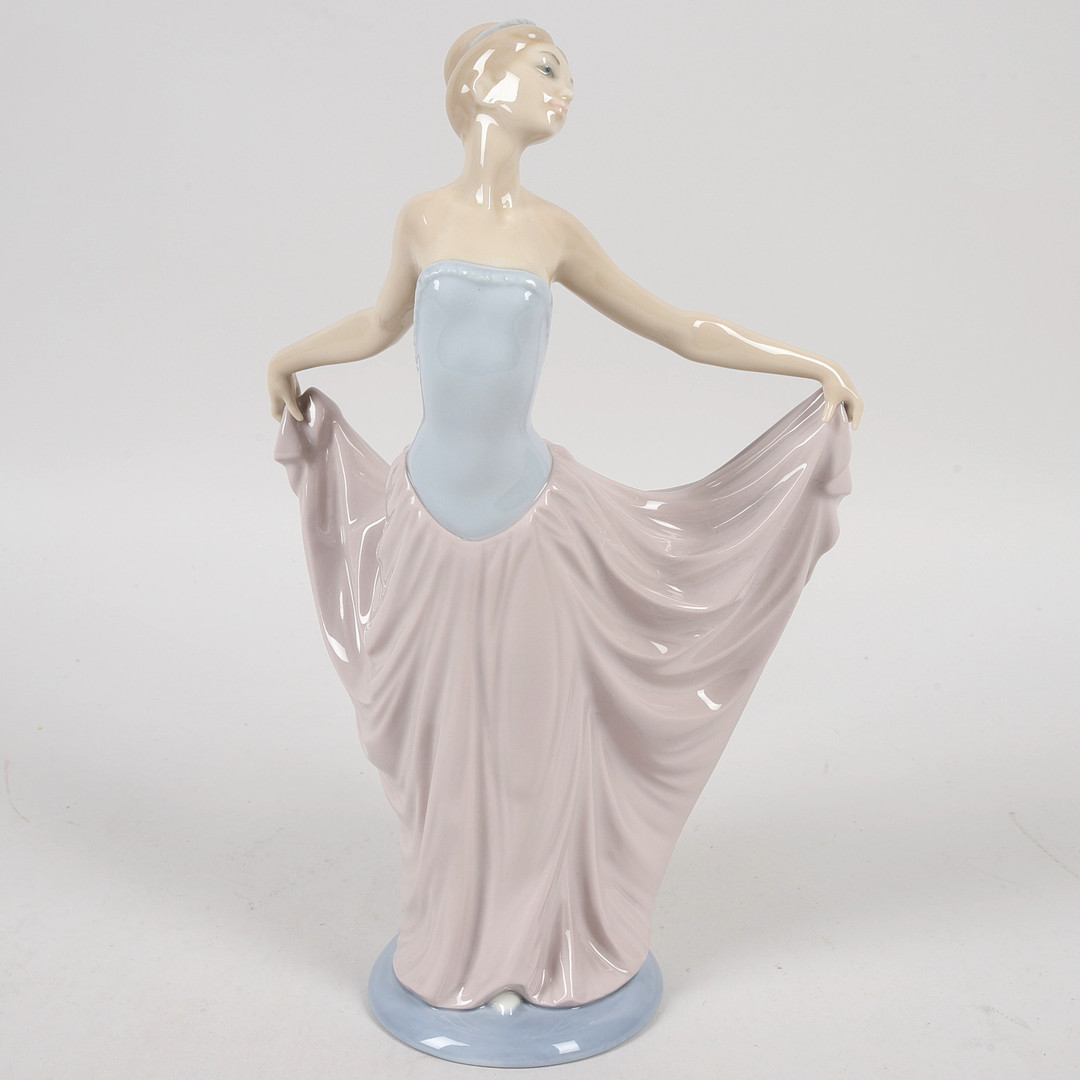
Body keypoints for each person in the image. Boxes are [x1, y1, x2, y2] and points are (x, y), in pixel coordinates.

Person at [269, 21, 861, 1014]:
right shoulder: (421, 218)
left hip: (531, 525)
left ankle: (539, 950)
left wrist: (810, 366)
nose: (566, 89)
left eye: (569, 74)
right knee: (441, 758)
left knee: (528, 757)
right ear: (483, 79)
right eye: (548, 67)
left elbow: (678, 327)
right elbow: (376, 325)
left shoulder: (553, 232)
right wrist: (288, 359)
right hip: (423, 523)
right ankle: (458, 945)